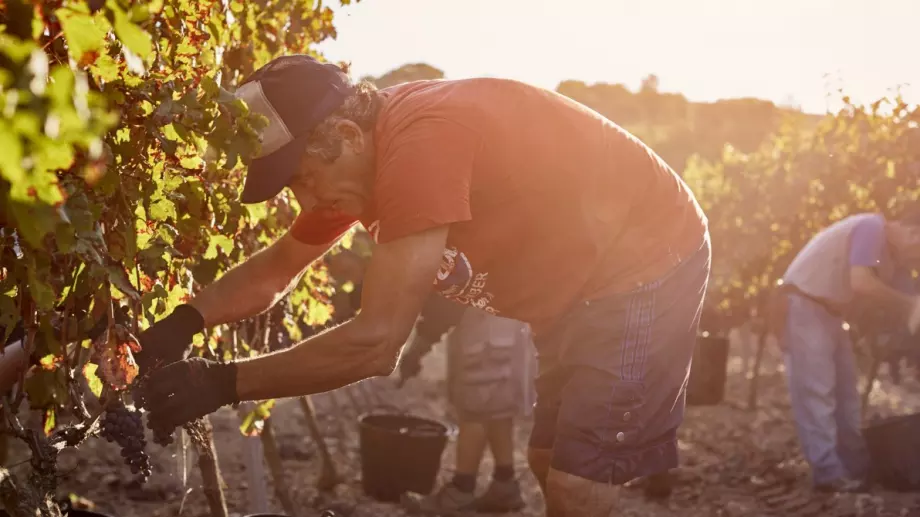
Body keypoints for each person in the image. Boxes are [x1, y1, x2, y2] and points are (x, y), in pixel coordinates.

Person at [134, 54, 710, 516]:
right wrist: (181, 325)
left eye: (304, 179)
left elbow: (378, 342)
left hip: (642, 267)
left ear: (345, 134)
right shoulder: (358, 162)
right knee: (547, 460)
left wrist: (223, 383)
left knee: (578, 488)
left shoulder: (420, 146)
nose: (306, 202)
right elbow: (277, 268)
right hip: (573, 292)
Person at [774, 210, 920, 493]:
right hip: (804, 305)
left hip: (832, 314)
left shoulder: (896, 259)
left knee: (846, 397)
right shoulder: (871, 227)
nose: (917, 255)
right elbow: (862, 283)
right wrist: (911, 306)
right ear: (911, 230)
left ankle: (857, 470)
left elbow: (908, 309)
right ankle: (829, 474)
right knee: (817, 394)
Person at [396, 294, 536, 514]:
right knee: (498, 407)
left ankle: (461, 491)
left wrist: (419, 346)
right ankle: (504, 484)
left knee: (474, 411)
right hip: (508, 326)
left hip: (484, 330)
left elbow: (445, 304)